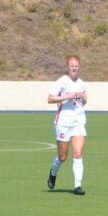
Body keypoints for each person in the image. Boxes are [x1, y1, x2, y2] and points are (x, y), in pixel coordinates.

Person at [46, 55, 88, 196]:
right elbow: (50, 98)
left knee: (78, 153)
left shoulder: (81, 83)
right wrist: (67, 96)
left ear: (79, 67)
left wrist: (83, 98)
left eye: (76, 65)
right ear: (67, 67)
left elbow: (84, 101)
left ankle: (77, 186)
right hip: (63, 122)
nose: (74, 68)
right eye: (71, 66)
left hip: (78, 121)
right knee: (63, 157)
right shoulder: (62, 82)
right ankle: (53, 172)